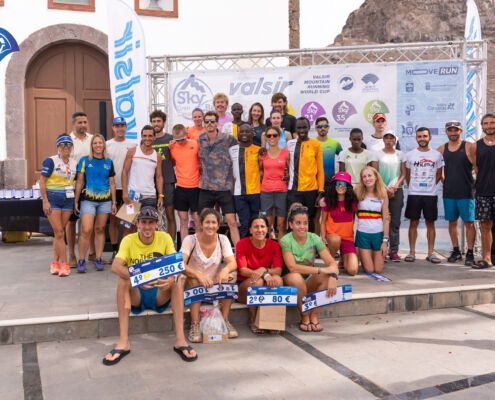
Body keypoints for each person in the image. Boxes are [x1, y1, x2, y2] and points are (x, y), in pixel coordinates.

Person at [102, 206, 197, 365]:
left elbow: (176, 265)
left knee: (177, 281)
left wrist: (172, 277)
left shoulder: (165, 237)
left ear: (157, 224)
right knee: (122, 279)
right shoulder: (128, 240)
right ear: (137, 223)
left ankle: (180, 340)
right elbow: (115, 267)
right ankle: (123, 341)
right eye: (144, 222)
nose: (147, 226)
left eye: (151, 222)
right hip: (137, 294)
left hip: (160, 292)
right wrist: (140, 278)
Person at [181, 208, 238, 342]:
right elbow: (181, 264)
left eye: (213, 223)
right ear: (201, 224)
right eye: (207, 222)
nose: (210, 226)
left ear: (218, 225)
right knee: (193, 279)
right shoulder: (190, 239)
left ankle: (224, 320)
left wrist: (224, 271)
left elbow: (232, 263)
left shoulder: (222, 239)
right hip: (195, 286)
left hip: (214, 285)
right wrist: (197, 274)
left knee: (230, 278)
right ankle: (195, 324)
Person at [281, 204, 339, 332]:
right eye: (298, 223)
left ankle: (314, 315)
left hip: (307, 281)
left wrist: (333, 277)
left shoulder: (314, 238)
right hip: (290, 282)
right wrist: (320, 270)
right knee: (296, 278)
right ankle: (304, 315)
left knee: (326, 278)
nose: (302, 226)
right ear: (291, 225)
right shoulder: (285, 240)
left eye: (305, 223)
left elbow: (332, 263)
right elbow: (292, 267)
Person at [74, 134, 117, 272]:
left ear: (104, 145)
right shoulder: (84, 160)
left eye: (100, 143)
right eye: (95, 143)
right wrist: (76, 200)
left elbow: (112, 183)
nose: (98, 145)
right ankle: (81, 260)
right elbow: (79, 182)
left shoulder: (108, 162)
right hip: (88, 201)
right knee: (86, 230)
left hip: (105, 201)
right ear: (91, 146)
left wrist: (114, 202)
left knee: (100, 229)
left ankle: (98, 258)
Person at [197, 111, 241, 245]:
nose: (209, 123)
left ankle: (239, 253)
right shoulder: (200, 139)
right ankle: (203, 250)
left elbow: (239, 153)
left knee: (232, 222)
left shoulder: (228, 139)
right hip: (206, 187)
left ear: (217, 123)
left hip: (224, 187)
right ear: (204, 123)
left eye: (212, 121)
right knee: (203, 222)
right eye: (207, 121)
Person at [437, 121, 475, 266]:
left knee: (469, 223)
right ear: (446, 132)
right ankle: (456, 251)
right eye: (450, 130)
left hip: (466, 192)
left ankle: (470, 253)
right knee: (452, 222)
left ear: (461, 131)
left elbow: (477, 167)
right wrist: (444, 179)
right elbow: (438, 170)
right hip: (449, 192)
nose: (453, 133)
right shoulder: (441, 148)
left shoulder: (469, 146)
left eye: (455, 130)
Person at [236, 215, 283, 334]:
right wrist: (264, 274)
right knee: (257, 281)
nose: (259, 230)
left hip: (263, 283)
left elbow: (278, 270)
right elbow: (243, 270)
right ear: (250, 230)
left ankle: (272, 320)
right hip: (245, 287)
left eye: (262, 226)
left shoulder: (274, 245)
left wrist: (264, 270)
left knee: (277, 279)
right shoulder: (241, 244)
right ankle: (253, 319)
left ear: (267, 229)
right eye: (256, 227)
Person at [404, 127, 444, 263]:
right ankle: (412, 252)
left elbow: (439, 174)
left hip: (430, 194)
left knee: (430, 223)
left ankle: (430, 253)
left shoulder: (437, 155)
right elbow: (407, 175)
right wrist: (414, 187)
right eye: (419, 136)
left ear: (430, 138)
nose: (422, 139)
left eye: (425, 136)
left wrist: (430, 185)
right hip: (414, 194)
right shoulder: (410, 155)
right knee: (413, 222)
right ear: (416, 138)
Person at [40, 134, 77, 277]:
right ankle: (65, 264)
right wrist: (45, 201)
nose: (65, 147)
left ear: (71, 147)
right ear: (57, 147)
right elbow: (42, 181)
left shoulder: (74, 163)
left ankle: (55, 263)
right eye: (62, 144)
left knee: (58, 233)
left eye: (68, 144)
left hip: (68, 200)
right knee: (60, 233)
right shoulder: (51, 161)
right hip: (53, 199)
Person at [370, 131, 406, 262]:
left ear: (395, 140)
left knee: (395, 222)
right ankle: (382, 250)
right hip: (381, 191)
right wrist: (385, 188)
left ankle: (394, 250)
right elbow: (375, 173)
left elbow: (403, 173)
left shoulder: (400, 154)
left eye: (392, 138)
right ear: (383, 140)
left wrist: (395, 186)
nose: (389, 140)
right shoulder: (376, 154)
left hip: (396, 191)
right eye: (387, 138)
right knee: (381, 221)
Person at [122, 125, 164, 234]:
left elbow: (159, 176)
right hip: (132, 195)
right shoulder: (132, 151)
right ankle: (125, 247)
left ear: (154, 137)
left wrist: (160, 195)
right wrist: (125, 193)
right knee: (128, 227)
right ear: (141, 136)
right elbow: (124, 172)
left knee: (150, 228)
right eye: (145, 136)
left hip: (150, 197)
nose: (147, 138)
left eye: (150, 136)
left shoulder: (157, 156)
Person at [286, 117, 324, 232]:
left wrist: (320, 191)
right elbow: (285, 162)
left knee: (309, 220)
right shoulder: (290, 144)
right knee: (293, 219)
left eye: (304, 127)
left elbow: (320, 170)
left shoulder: (316, 145)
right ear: (295, 129)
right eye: (299, 127)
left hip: (311, 190)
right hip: (293, 190)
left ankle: (310, 244)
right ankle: (293, 244)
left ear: (309, 128)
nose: (302, 130)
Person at [467, 113, 495, 268]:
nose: (489, 126)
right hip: (484, 191)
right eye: (486, 123)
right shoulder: (475, 146)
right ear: (482, 126)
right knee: (485, 227)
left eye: (492, 123)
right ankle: (487, 258)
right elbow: (477, 168)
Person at [106, 117, 137, 259]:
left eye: (122, 125)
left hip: (129, 189)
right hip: (112, 189)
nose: (120, 128)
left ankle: (127, 252)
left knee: (129, 222)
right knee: (113, 220)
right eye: (117, 126)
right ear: (113, 128)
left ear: (126, 127)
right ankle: (114, 250)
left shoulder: (133, 144)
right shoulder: (107, 145)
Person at [66, 112, 94, 267]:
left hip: (91, 186)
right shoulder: (68, 141)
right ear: (73, 124)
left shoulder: (92, 139)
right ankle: (72, 255)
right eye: (80, 122)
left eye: (85, 122)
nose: (83, 125)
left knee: (89, 222)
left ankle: (92, 253)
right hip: (72, 186)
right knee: (71, 222)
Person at [320, 171, 359, 276]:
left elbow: (361, 216)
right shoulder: (328, 201)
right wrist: (323, 238)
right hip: (332, 238)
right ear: (334, 185)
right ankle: (331, 263)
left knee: (353, 271)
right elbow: (322, 222)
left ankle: (343, 260)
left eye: (344, 184)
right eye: (338, 183)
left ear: (348, 187)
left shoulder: (353, 202)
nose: (340, 186)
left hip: (348, 240)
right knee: (335, 239)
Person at [354, 167, 390, 273]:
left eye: (369, 175)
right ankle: (359, 254)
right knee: (369, 270)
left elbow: (386, 219)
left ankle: (368, 255)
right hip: (363, 235)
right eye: (364, 176)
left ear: (376, 177)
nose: (367, 179)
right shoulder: (357, 191)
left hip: (378, 235)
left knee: (378, 270)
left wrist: (385, 241)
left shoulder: (383, 194)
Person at [169, 124, 201, 241]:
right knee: (183, 220)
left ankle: (199, 247)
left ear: (186, 135)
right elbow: (171, 163)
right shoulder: (172, 147)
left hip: (196, 187)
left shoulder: (195, 144)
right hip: (181, 188)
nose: (180, 142)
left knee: (197, 219)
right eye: (177, 140)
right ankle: (185, 248)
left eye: (182, 139)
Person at [229, 124, 261, 238]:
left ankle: (256, 247)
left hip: (256, 193)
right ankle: (244, 248)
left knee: (256, 224)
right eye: (241, 131)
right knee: (244, 224)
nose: (244, 134)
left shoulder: (259, 150)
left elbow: (263, 169)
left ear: (252, 134)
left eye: (247, 132)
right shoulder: (231, 150)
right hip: (239, 194)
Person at [259, 126, 290, 241]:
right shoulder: (262, 154)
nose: (272, 138)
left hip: (282, 191)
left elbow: (290, 171)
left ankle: (282, 248)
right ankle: (269, 247)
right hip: (266, 191)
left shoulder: (286, 153)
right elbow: (260, 171)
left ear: (279, 137)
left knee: (281, 225)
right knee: (267, 225)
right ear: (266, 138)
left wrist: (288, 176)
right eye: (269, 135)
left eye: (274, 135)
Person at [150, 110, 177, 241]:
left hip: (167, 180)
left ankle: (171, 246)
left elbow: (176, 160)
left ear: (164, 123)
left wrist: (173, 150)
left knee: (170, 214)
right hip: (150, 182)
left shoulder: (171, 139)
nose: (156, 123)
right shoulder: (147, 139)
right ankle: (154, 245)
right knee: (151, 215)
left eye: (158, 121)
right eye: (154, 121)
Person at [314, 116, 343, 236]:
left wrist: (338, 175)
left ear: (328, 127)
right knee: (316, 216)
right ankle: (317, 243)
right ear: (316, 128)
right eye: (320, 126)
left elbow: (343, 159)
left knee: (330, 215)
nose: (322, 128)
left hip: (330, 185)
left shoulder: (335, 144)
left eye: (325, 126)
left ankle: (329, 243)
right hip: (315, 185)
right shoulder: (312, 143)